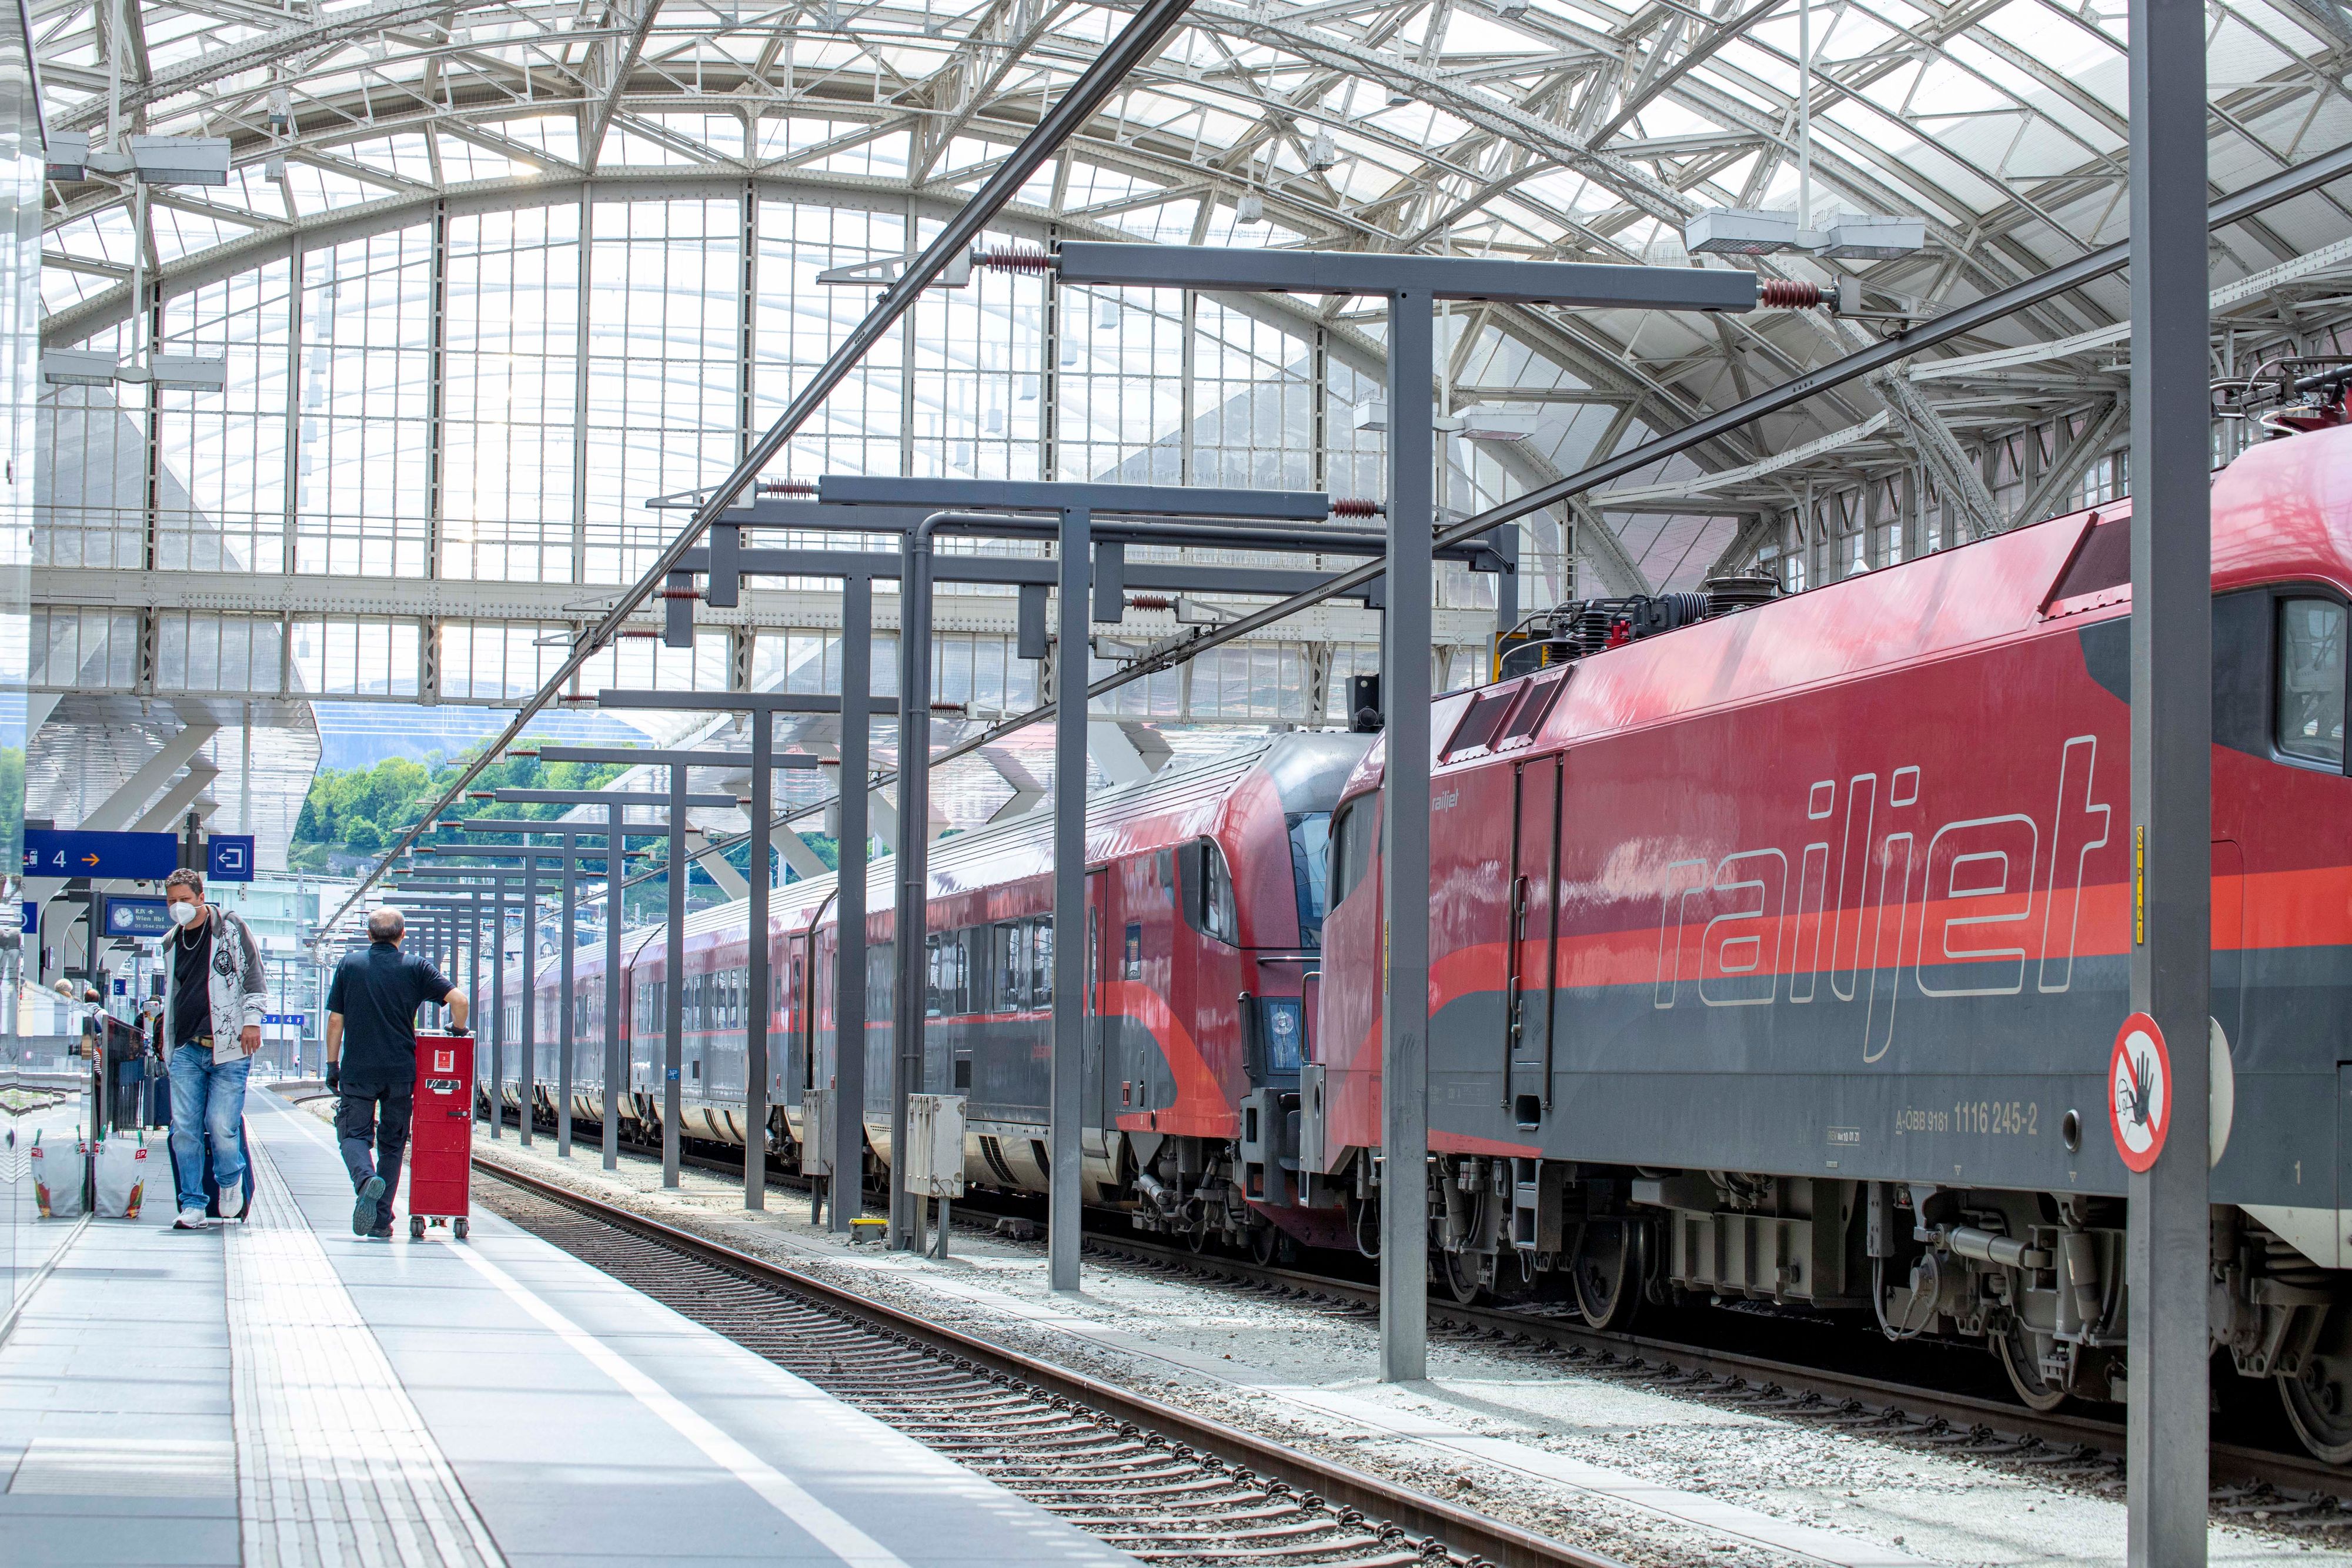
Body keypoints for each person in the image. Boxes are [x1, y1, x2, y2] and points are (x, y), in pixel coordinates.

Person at [325, 905, 468, 1239]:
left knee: (352, 1135)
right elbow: (459, 1001)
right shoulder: (416, 967)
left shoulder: (350, 965)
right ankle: (379, 1221)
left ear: (369, 935)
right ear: (402, 936)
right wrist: (457, 1031)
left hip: (358, 1071)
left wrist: (333, 1065)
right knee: (391, 1146)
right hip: (401, 1072)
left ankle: (365, 1181)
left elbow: (336, 1020)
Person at [159, 868, 269, 1231]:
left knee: (221, 1124)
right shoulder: (171, 941)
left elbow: (254, 976)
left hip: (230, 1047)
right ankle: (192, 1203)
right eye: (172, 901)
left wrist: (252, 1021)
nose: (178, 907)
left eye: (184, 900)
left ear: (201, 896)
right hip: (187, 1049)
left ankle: (229, 1180)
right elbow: (173, 996)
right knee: (184, 1129)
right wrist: (168, 1045)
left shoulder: (231, 929)